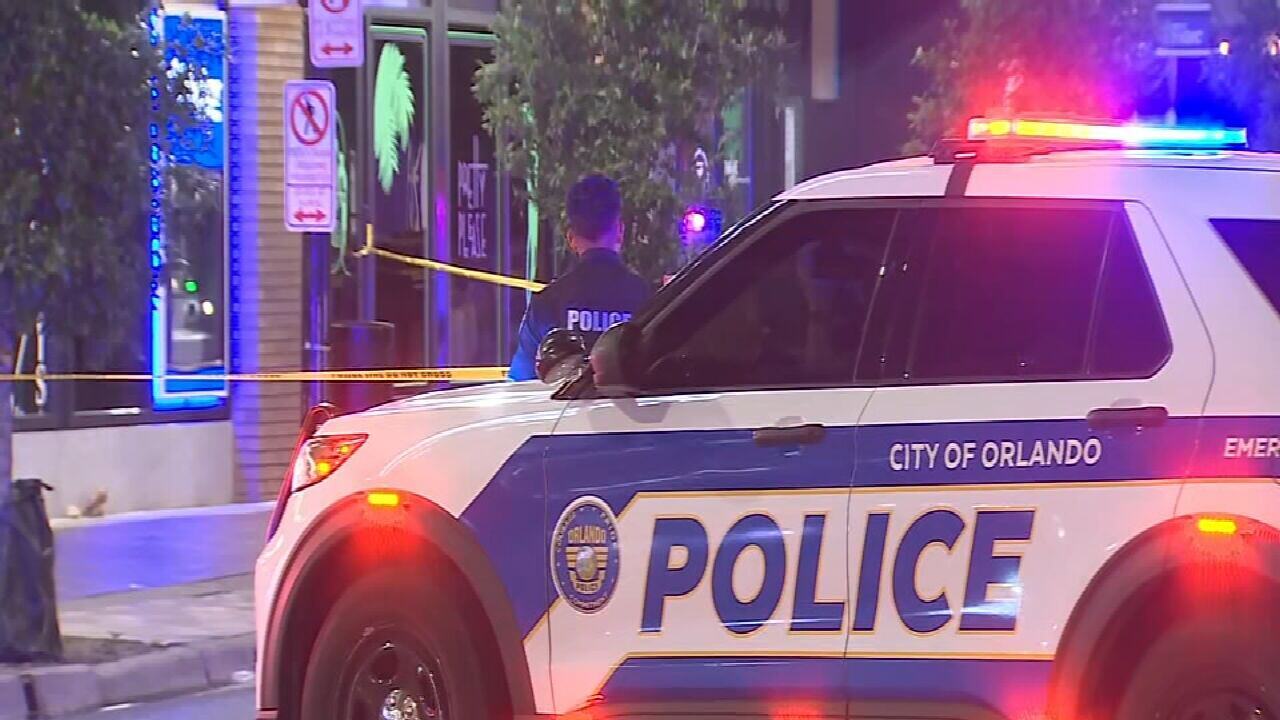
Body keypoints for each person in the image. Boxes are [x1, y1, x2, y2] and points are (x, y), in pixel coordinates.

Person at [509, 174, 652, 381]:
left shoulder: (547, 303)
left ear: (571, 238)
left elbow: (521, 381)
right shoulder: (648, 298)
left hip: (565, 403)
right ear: (620, 231)